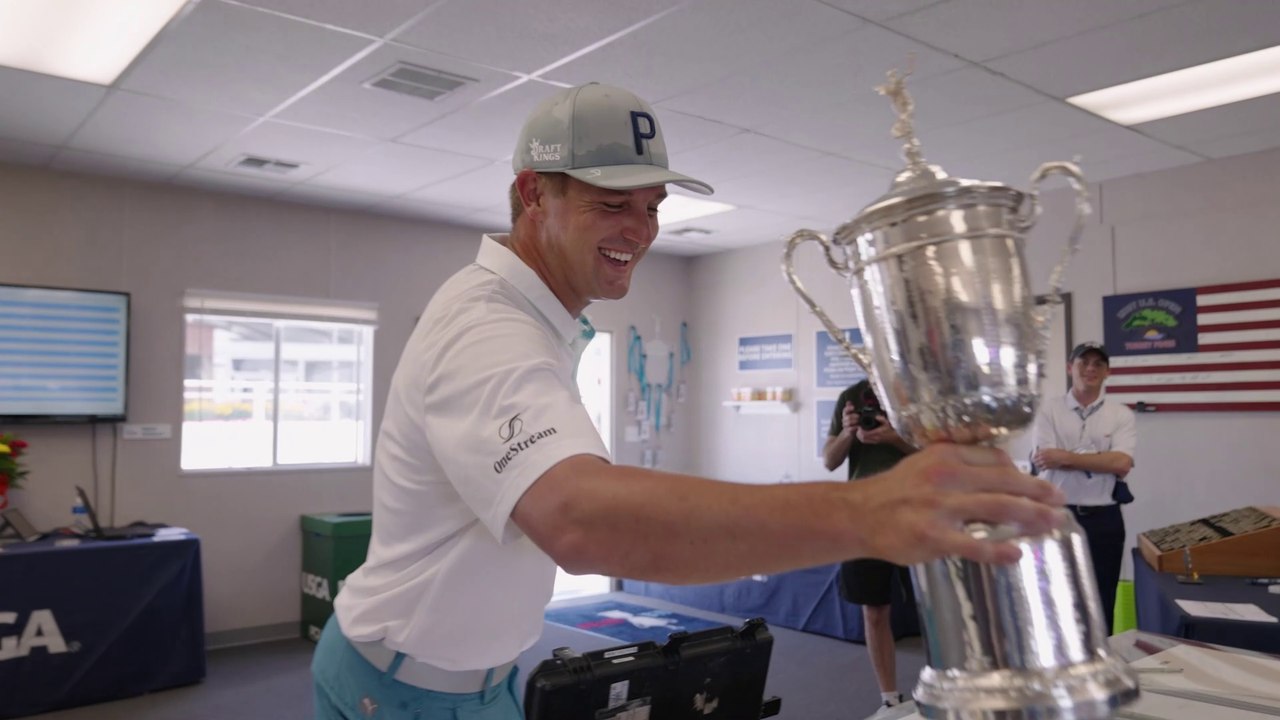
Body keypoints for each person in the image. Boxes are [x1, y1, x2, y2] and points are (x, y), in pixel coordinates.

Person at [311, 81, 1066, 720]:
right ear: (532, 195)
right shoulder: (485, 326)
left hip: (488, 681)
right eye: (613, 204)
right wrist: (869, 514)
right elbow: (578, 519)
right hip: (398, 691)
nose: (639, 231)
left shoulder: (544, 322)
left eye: (652, 206)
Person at [823, 378, 918, 713]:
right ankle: (889, 699)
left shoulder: (916, 387)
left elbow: (937, 454)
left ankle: (942, 693)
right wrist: (849, 432)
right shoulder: (850, 396)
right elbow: (829, 460)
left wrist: (894, 437)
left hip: (917, 510)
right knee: (874, 609)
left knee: (934, 610)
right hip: (866, 513)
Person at [1032, 341, 1137, 634]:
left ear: (1107, 372)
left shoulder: (1120, 414)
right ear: (1070, 368)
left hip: (1104, 517)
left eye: (1097, 364)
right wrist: (1099, 460)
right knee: (1056, 598)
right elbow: (1044, 458)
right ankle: (1058, 669)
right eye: (1083, 363)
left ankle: (1101, 667)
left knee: (1102, 599)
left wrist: (1066, 457)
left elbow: (1122, 463)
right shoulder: (1048, 411)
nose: (1090, 368)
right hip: (1056, 515)